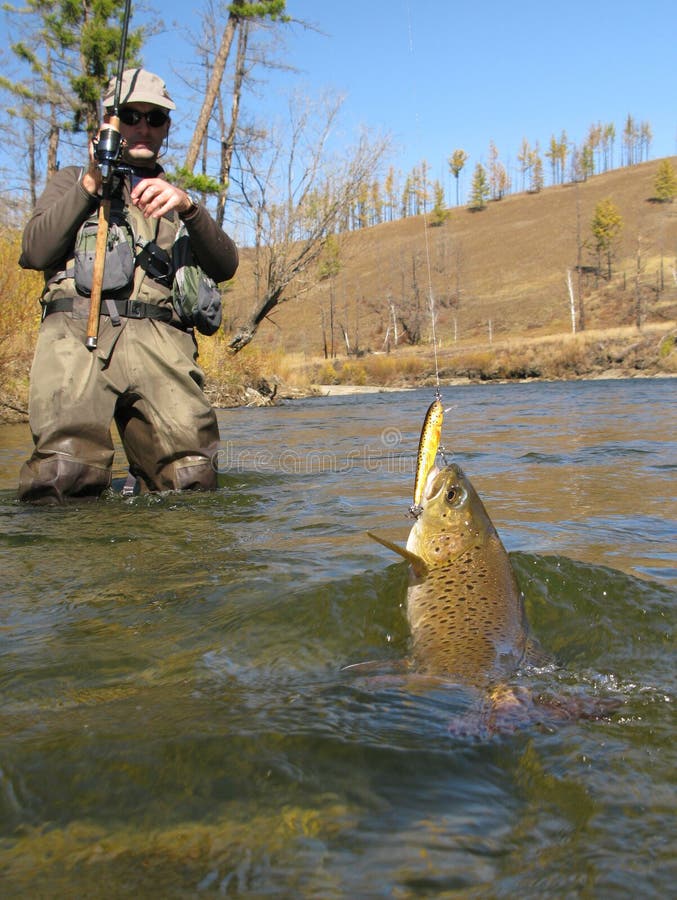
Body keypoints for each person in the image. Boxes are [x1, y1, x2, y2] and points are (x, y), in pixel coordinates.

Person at [18, 68, 239, 504]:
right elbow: (36, 253)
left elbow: (226, 264)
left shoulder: (177, 200)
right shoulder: (70, 181)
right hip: (78, 338)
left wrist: (190, 209)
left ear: (166, 128)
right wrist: (89, 186)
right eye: (130, 114)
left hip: (163, 346)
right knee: (62, 477)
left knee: (190, 481)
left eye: (154, 118)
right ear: (109, 120)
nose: (143, 126)